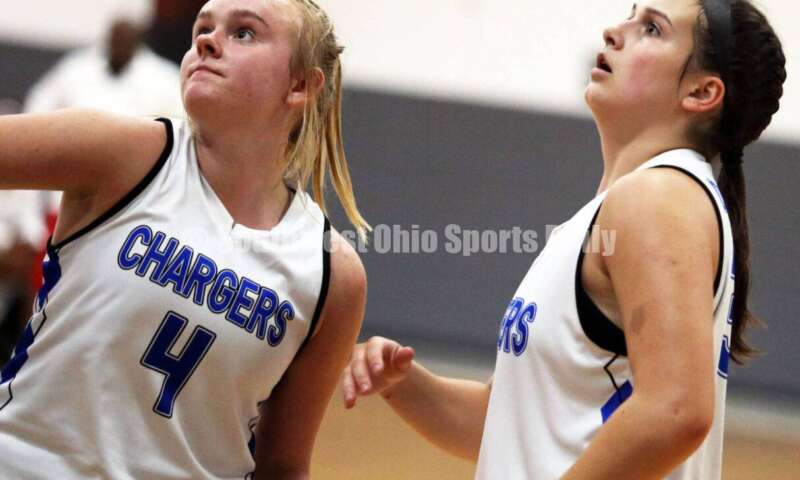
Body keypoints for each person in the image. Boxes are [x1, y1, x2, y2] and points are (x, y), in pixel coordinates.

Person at [341, 0, 786, 478]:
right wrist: (404, 384)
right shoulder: (625, 206)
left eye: (652, 29)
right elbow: (509, 426)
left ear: (702, 92)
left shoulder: (657, 196)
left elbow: (676, 411)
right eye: (631, 16)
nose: (615, 31)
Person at [0, 0, 369, 478]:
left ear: (300, 85)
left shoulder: (330, 274)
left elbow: (283, 466)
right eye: (205, 26)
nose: (207, 40)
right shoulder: (122, 153)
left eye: (244, 33)